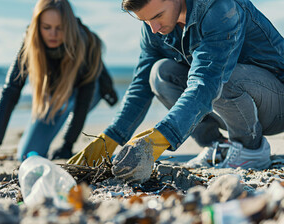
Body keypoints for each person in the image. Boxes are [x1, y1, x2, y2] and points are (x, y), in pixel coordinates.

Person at [67, 0, 284, 184]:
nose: (153, 27)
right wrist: (109, 139)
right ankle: (219, 147)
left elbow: (206, 81)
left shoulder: (221, 9)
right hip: (229, 101)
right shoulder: (154, 27)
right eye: (145, 21)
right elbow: (140, 86)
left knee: (221, 76)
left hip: (276, 104)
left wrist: (161, 137)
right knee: (159, 74)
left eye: (158, 16)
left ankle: (250, 151)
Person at [0, 0, 118, 164]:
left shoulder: (87, 42)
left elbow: (83, 101)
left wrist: (67, 144)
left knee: (69, 100)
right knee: (27, 155)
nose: (53, 34)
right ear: (37, 26)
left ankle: (66, 132)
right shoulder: (30, 41)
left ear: (69, 26)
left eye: (59, 28)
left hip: (90, 92)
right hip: (58, 95)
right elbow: (11, 89)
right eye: (46, 27)